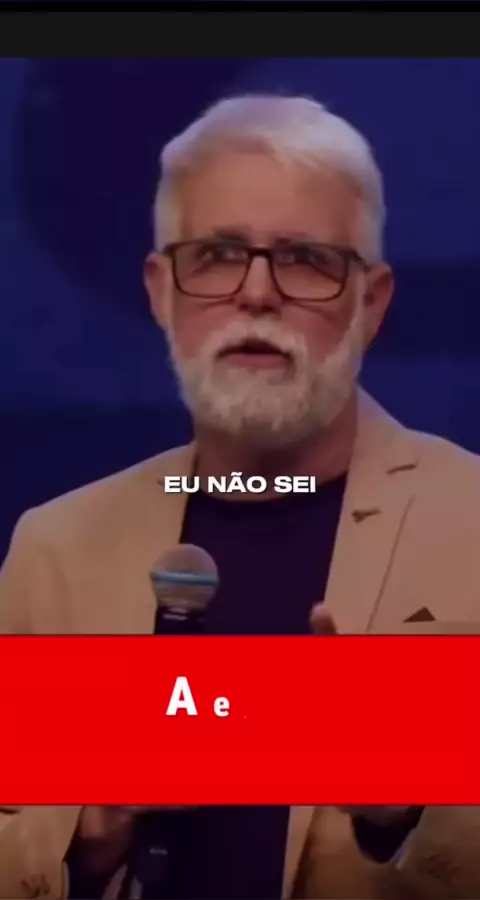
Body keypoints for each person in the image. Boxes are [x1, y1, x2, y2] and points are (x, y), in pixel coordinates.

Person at [1, 93, 480, 900]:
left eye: (306, 259)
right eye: (219, 254)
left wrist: (407, 811)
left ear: (371, 303)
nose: (258, 293)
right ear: (161, 291)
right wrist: (86, 830)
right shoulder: (60, 550)